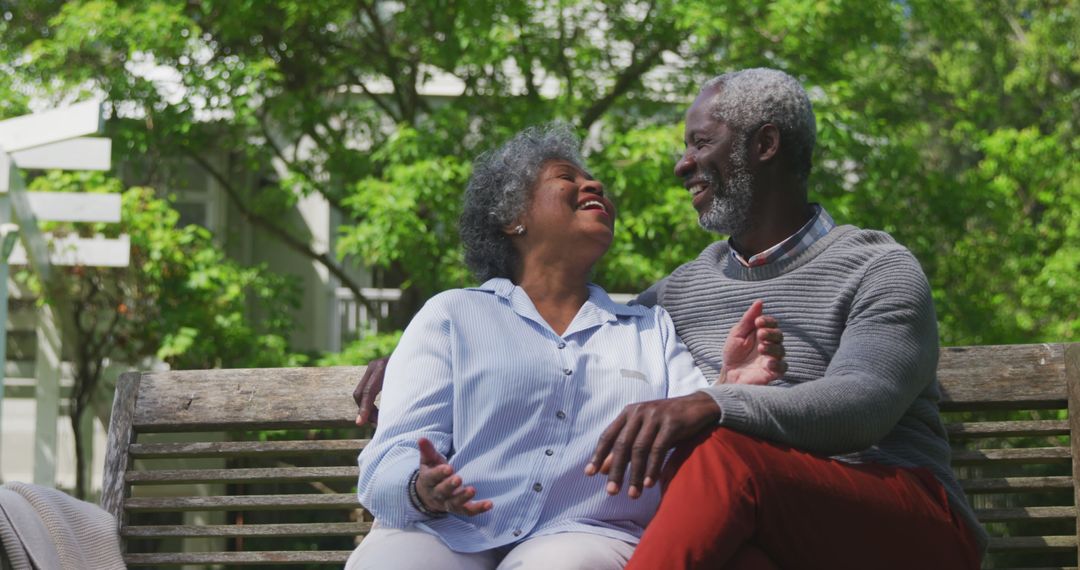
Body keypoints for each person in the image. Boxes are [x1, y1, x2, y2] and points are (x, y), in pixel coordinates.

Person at [354, 68, 987, 569]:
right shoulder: (681, 293)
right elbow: (573, 334)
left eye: (700, 143)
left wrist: (714, 405)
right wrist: (417, 355)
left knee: (721, 457)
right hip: (758, 526)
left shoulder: (878, 267)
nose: (682, 165)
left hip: (895, 517)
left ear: (764, 144)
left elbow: (863, 405)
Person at [346, 123, 786, 570]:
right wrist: (422, 489)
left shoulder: (650, 329)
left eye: (595, 182)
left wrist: (729, 385)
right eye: (566, 178)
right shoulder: (452, 316)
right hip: (445, 530)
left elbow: (688, 442)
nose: (593, 185)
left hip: (586, 535)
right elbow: (389, 460)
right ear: (512, 218)